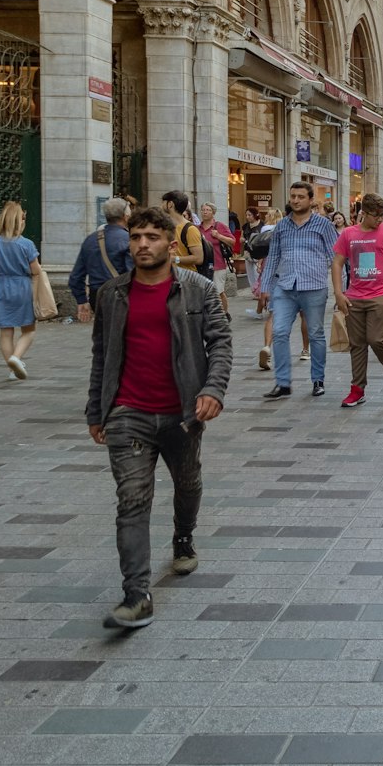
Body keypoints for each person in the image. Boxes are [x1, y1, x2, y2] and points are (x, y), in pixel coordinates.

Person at [84, 205, 231, 630]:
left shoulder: (198, 289)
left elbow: (220, 343)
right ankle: (136, 594)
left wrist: (212, 389)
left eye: (151, 237)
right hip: (127, 412)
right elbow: (101, 356)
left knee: (188, 482)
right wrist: (96, 409)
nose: (142, 244)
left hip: (183, 411)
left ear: (170, 243)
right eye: (135, 237)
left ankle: (183, 536)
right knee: (132, 500)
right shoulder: (111, 293)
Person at [258, 181, 337, 399]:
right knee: (280, 332)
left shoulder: (323, 225)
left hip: (314, 287)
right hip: (285, 287)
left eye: (300, 197)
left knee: (316, 334)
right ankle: (283, 383)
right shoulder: (282, 226)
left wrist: (341, 290)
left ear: (311, 200)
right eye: (293, 196)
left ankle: (318, 379)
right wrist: (265, 287)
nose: (295, 200)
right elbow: (273, 257)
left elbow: (336, 258)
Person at [333, 193, 383, 407]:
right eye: (376, 215)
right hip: (354, 297)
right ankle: (357, 389)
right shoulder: (349, 234)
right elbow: (338, 262)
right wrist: (339, 293)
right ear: (363, 214)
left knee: (377, 339)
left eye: (382, 215)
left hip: (381, 296)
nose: (380, 219)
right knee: (357, 344)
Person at [0, 200, 40, 380]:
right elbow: (35, 270)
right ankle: (16, 358)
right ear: (20, 221)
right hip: (22, 287)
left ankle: (11, 366)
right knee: (28, 330)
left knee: (6, 332)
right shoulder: (26, 244)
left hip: (0, 288)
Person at [69, 198, 132, 327]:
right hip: (121, 294)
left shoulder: (91, 240)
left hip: (96, 295)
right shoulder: (128, 240)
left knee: (103, 333)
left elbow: (76, 276)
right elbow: (132, 272)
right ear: (125, 216)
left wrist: (82, 300)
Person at [247, 208, 279, 370]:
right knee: (304, 316)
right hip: (290, 276)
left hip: (270, 270)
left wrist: (265, 287)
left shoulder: (267, 229)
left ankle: (267, 346)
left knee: (272, 315)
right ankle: (304, 349)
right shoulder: (284, 229)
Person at [161, 191, 206, 273]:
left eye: (163, 202)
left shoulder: (190, 229)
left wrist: (175, 259)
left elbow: (199, 258)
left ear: (170, 204)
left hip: (186, 280)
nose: (161, 206)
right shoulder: (165, 226)